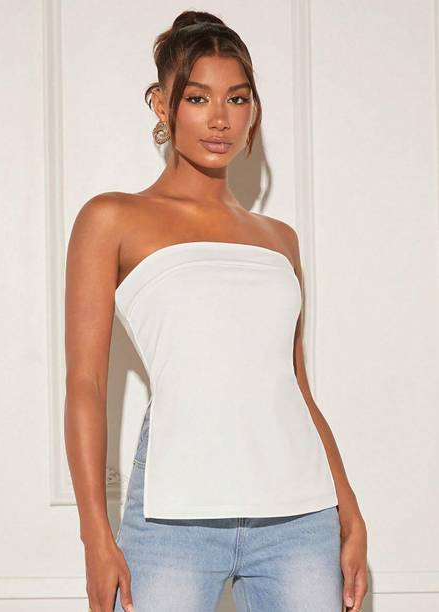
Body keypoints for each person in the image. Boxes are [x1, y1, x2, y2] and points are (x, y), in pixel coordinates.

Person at [64, 10, 368, 612]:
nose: (221, 118)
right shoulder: (112, 218)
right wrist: (95, 534)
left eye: (237, 98)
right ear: (162, 104)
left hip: (300, 517)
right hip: (173, 520)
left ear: (253, 109)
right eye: (198, 97)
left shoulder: (279, 239)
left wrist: (349, 512)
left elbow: (296, 388)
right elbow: (86, 383)